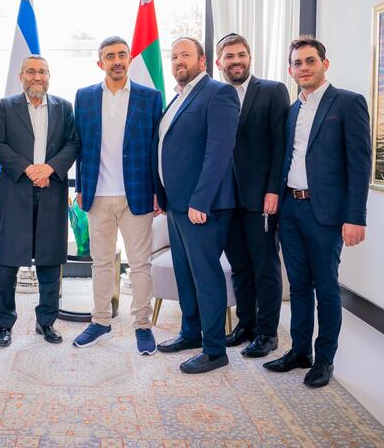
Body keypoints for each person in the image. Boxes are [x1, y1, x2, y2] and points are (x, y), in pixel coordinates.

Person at [263, 36, 370, 388]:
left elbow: (359, 164)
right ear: (290, 70)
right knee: (298, 286)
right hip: (290, 208)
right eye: (297, 63)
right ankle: (299, 352)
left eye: (310, 61)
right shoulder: (292, 110)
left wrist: (355, 217)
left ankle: (324, 360)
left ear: (325, 63)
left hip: (326, 213)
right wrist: (276, 197)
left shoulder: (348, 103)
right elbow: (287, 158)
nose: (304, 68)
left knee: (326, 288)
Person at [152, 37, 240, 374]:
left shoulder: (218, 94)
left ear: (203, 61)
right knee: (185, 274)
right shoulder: (178, 97)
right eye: (174, 56)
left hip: (201, 206)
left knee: (206, 275)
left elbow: (219, 152)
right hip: (175, 205)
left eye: (185, 54)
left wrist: (200, 200)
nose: (178, 61)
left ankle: (215, 349)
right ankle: (190, 333)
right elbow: (168, 149)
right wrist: (160, 194)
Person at [72, 36, 163, 354]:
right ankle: (100, 322)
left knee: (140, 264)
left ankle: (142, 326)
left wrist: (158, 191)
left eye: (122, 55)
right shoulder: (83, 97)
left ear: (129, 59)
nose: (117, 60)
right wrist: (81, 188)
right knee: (100, 263)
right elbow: (82, 147)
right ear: (100, 63)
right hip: (97, 195)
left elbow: (156, 149)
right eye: (110, 56)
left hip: (137, 194)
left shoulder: (150, 97)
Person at [0, 55, 79, 347]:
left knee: (50, 263)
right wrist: (28, 169)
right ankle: (5, 325)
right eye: (31, 71)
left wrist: (49, 168)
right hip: (16, 191)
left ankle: (46, 323)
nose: (37, 76)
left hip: (52, 190)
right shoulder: (4, 107)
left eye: (42, 71)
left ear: (49, 76)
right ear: (21, 76)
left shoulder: (64, 107)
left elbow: (73, 144)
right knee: (8, 264)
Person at [215, 33, 290, 358]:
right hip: (225, 200)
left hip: (261, 198)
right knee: (240, 266)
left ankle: (267, 333)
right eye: (229, 56)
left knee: (265, 267)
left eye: (241, 55)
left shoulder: (272, 91)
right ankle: (245, 325)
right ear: (219, 63)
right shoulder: (215, 95)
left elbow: (281, 146)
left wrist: (274, 189)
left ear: (250, 57)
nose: (236, 61)